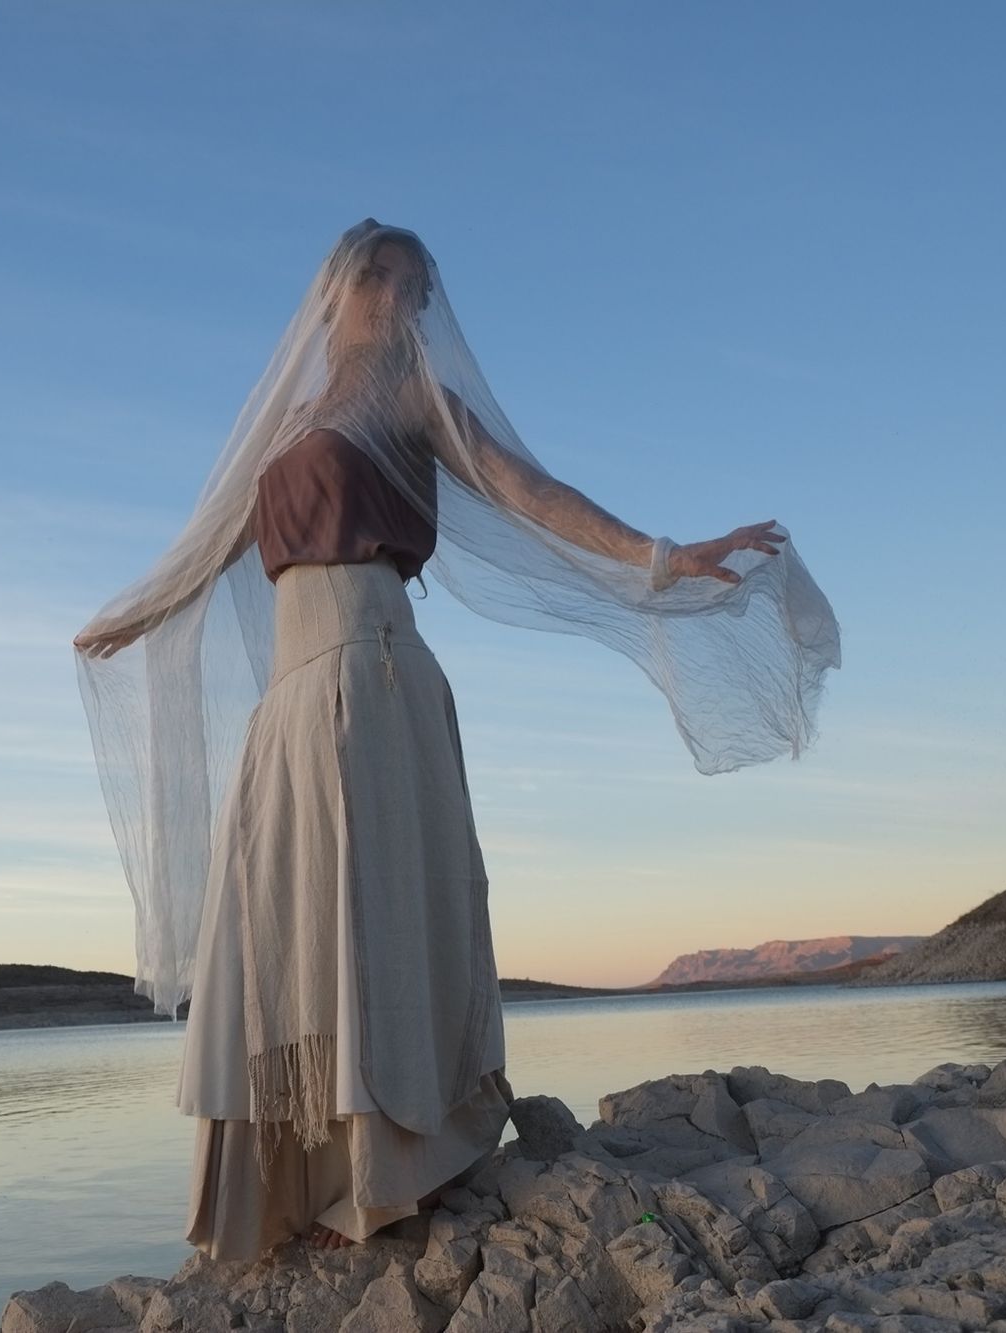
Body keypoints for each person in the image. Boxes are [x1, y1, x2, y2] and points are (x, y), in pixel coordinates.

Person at [72, 219, 840, 1261]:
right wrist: (135, 613)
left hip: (374, 671)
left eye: (420, 290)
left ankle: (387, 1176)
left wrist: (659, 554)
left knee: (377, 908)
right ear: (341, 287)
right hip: (293, 699)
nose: (408, 303)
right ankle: (295, 1185)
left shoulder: (414, 404)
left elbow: (529, 492)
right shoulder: (287, 421)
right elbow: (213, 541)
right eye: (391, 280)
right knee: (283, 916)